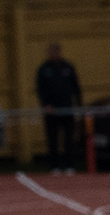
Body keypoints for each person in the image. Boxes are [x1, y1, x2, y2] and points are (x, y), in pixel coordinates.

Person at [35, 43, 82, 175]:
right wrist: (45, 104)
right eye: (51, 52)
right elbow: (40, 89)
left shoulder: (67, 67)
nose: (53, 54)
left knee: (69, 139)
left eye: (56, 51)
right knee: (53, 139)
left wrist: (78, 105)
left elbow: (76, 87)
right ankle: (55, 166)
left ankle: (69, 165)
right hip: (51, 111)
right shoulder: (43, 69)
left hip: (67, 109)